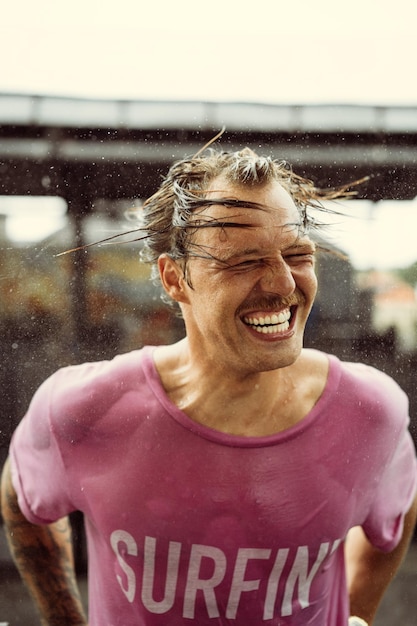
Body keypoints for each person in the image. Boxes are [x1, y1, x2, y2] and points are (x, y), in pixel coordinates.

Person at [1, 145, 417, 626]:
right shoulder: (82, 408)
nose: (283, 285)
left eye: (298, 254)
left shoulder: (371, 410)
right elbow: (23, 500)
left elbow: (399, 507)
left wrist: (357, 613)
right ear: (175, 278)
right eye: (243, 263)